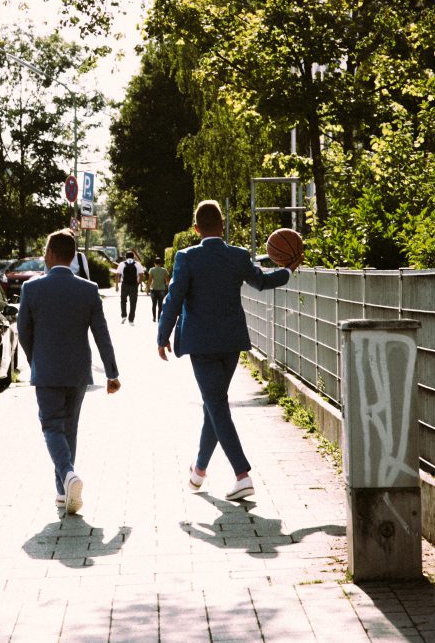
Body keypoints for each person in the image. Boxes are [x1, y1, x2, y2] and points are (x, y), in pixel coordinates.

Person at [157, 200, 302, 501]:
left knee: (216, 405)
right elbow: (262, 282)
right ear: (223, 226)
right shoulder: (237, 256)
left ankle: (242, 475)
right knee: (215, 405)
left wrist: (162, 335)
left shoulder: (187, 258)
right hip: (231, 343)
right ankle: (198, 470)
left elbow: (173, 299)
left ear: (196, 229)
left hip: (200, 343)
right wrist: (287, 271)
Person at [17, 228, 121, 514]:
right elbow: (102, 333)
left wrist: (34, 358)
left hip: (47, 368)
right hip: (78, 371)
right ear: (74, 256)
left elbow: (23, 332)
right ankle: (63, 491)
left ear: (50, 254)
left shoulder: (32, 288)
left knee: (51, 425)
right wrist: (112, 373)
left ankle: (67, 474)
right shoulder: (88, 289)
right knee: (69, 428)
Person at [116, 250, 144, 324]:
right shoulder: (137, 264)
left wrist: (116, 286)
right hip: (134, 285)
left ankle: (124, 316)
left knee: (123, 301)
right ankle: (131, 319)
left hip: (124, 285)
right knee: (133, 302)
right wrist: (139, 283)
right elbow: (141, 274)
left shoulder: (122, 264)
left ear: (126, 257)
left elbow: (117, 275)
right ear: (133, 257)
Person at [147, 257, 170, 322]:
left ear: (154, 263)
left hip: (153, 289)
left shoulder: (152, 270)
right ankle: (159, 318)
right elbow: (167, 281)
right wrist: (167, 287)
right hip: (162, 289)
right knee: (160, 305)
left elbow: (150, 279)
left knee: (154, 304)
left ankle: (154, 318)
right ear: (160, 263)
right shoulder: (164, 270)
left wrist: (148, 288)